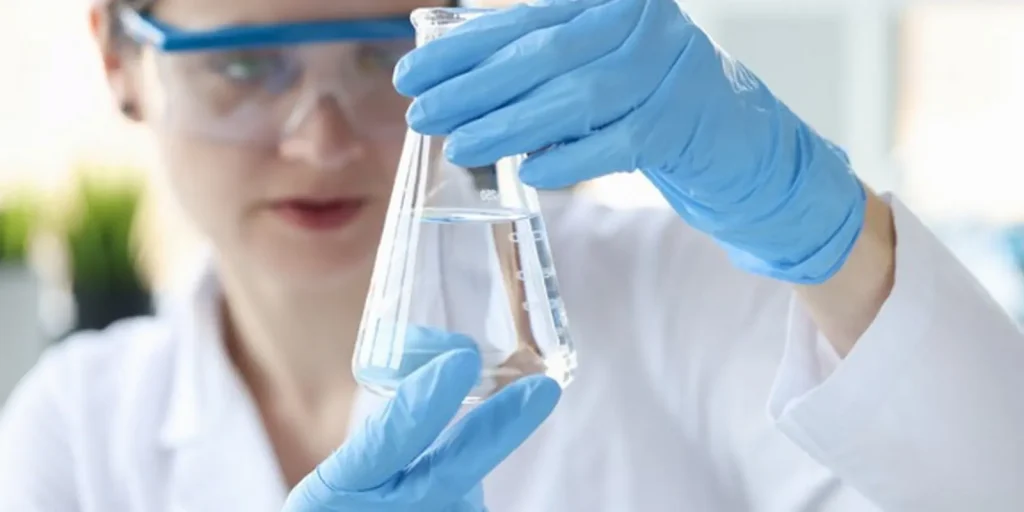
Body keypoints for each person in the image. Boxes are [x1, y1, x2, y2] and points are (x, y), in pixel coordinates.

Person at [1, 0, 1022, 510]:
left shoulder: (673, 293)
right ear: (118, 59)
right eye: (241, 66)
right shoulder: (79, 433)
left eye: (376, 55)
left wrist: (824, 227)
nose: (320, 139)